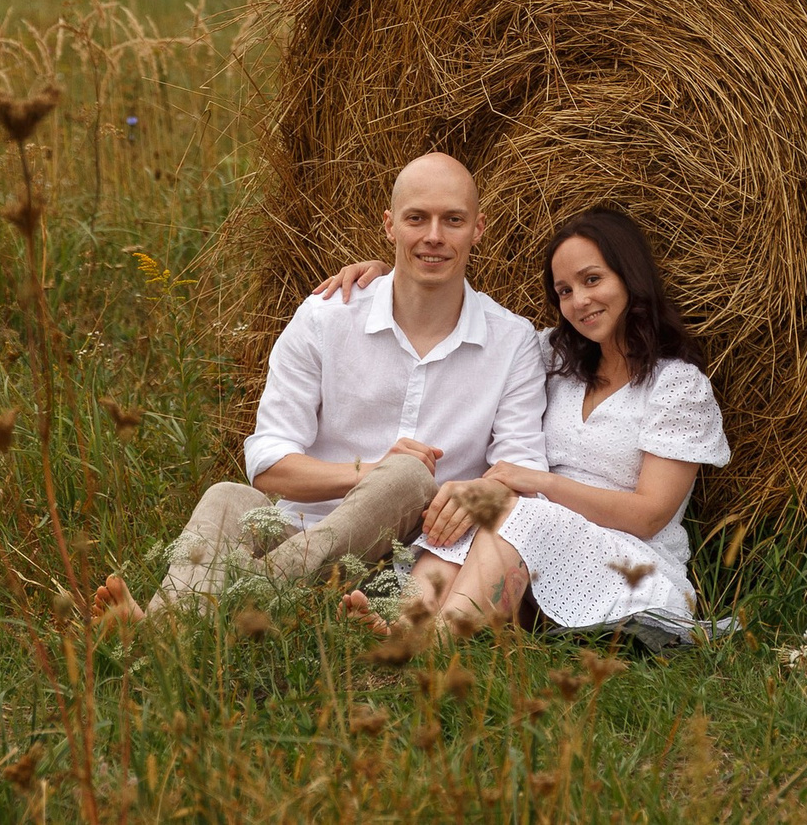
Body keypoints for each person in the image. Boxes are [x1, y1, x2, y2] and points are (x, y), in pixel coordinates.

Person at [92, 152, 547, 620]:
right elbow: (268, 460)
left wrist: (465, 493)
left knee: (411, 477)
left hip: (423, 561)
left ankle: (214, 611)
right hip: (300, 535)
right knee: (227, 497)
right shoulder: (326, 317)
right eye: (417, 218)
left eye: (453, 220)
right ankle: (174, 627)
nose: (434, 236)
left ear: (479, 227)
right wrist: (368, 473)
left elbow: (523, 472)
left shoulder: (512, 342)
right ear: (390, 225)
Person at [322, 206, 730, 637]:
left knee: (515, 511)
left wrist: (543, 483)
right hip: (535, 547)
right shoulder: (554, 358)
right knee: (471, 508)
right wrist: (397, 281)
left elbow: (650, 515)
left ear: (630, 277)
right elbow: (475, 323)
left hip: (631, 564)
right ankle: (404, 628)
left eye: (593, 280)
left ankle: (435, 645)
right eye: (565, 291)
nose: (580, 301)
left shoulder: (677, 386)